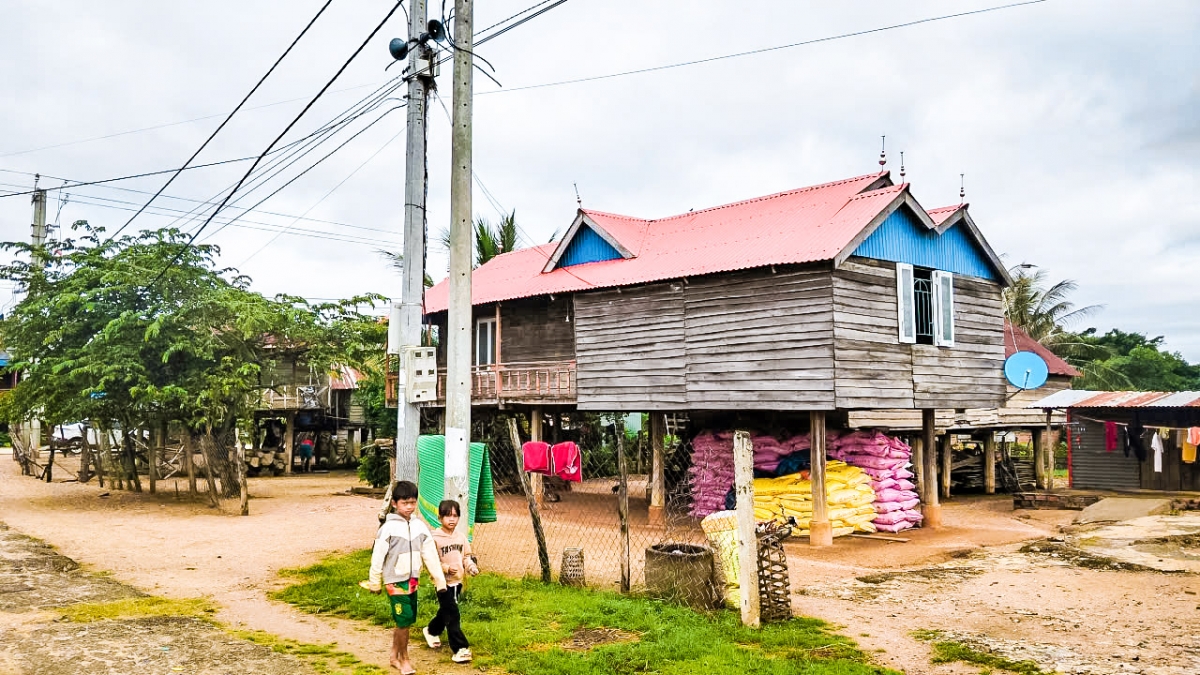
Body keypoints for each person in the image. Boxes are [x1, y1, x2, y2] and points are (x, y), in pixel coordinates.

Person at [362, 481, 447, 675]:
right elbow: (377, 557)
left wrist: (439, 580)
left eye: (412, 502)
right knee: (404, 620)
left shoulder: (420, 527)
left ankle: (393, 655)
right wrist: (375, 581)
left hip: (413, 581)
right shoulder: (387, 529)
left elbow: (430, 554)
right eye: (404, 503)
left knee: (406, 620)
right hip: (394, 582)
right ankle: (404, 659)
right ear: (394, 503)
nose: (409, 507)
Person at [421, 500, 479, 663]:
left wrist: (471, 567)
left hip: (457, 582)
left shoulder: (460, 537)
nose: (451, 519)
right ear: (440, 517)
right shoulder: (434, 538)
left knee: (446, 612)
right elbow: (430, 561)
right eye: (447, 516)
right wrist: (445, 568)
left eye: (455, 515)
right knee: (453, 614)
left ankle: (432, 630)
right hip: (442, 583)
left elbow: (466, 556)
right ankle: (461, 648)